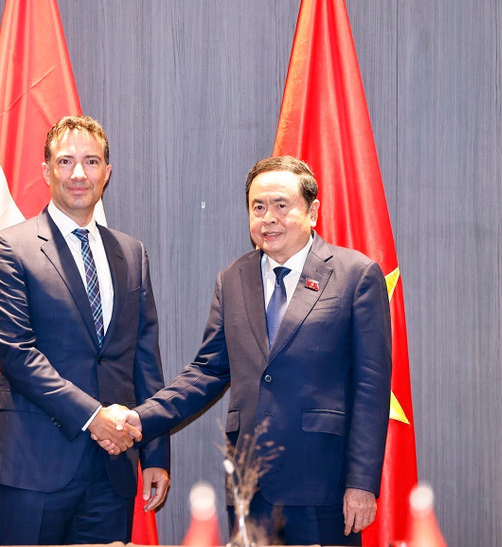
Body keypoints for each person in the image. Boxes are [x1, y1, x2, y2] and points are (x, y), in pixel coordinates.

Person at [113, 156, 391, 545]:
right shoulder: (233, 278)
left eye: (281, 205)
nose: (268, 217)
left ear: (312, 211)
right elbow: (208, 371)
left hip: (322, 485)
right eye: (258, 207)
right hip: (250, 487)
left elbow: (371, 389)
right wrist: (140, 419)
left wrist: (361, 483)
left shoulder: (355, 275)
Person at [0, 115, 170, 545]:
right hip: (35, 463)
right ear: (45, 171)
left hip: (113, 466)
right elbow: (17, 355)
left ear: (107, 172)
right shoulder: (8, 249)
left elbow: (144, 360)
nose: (79, 174)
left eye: (91, 161)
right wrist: (93, 417)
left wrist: (155, 452)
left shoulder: (131, 253)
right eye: (65, 161)